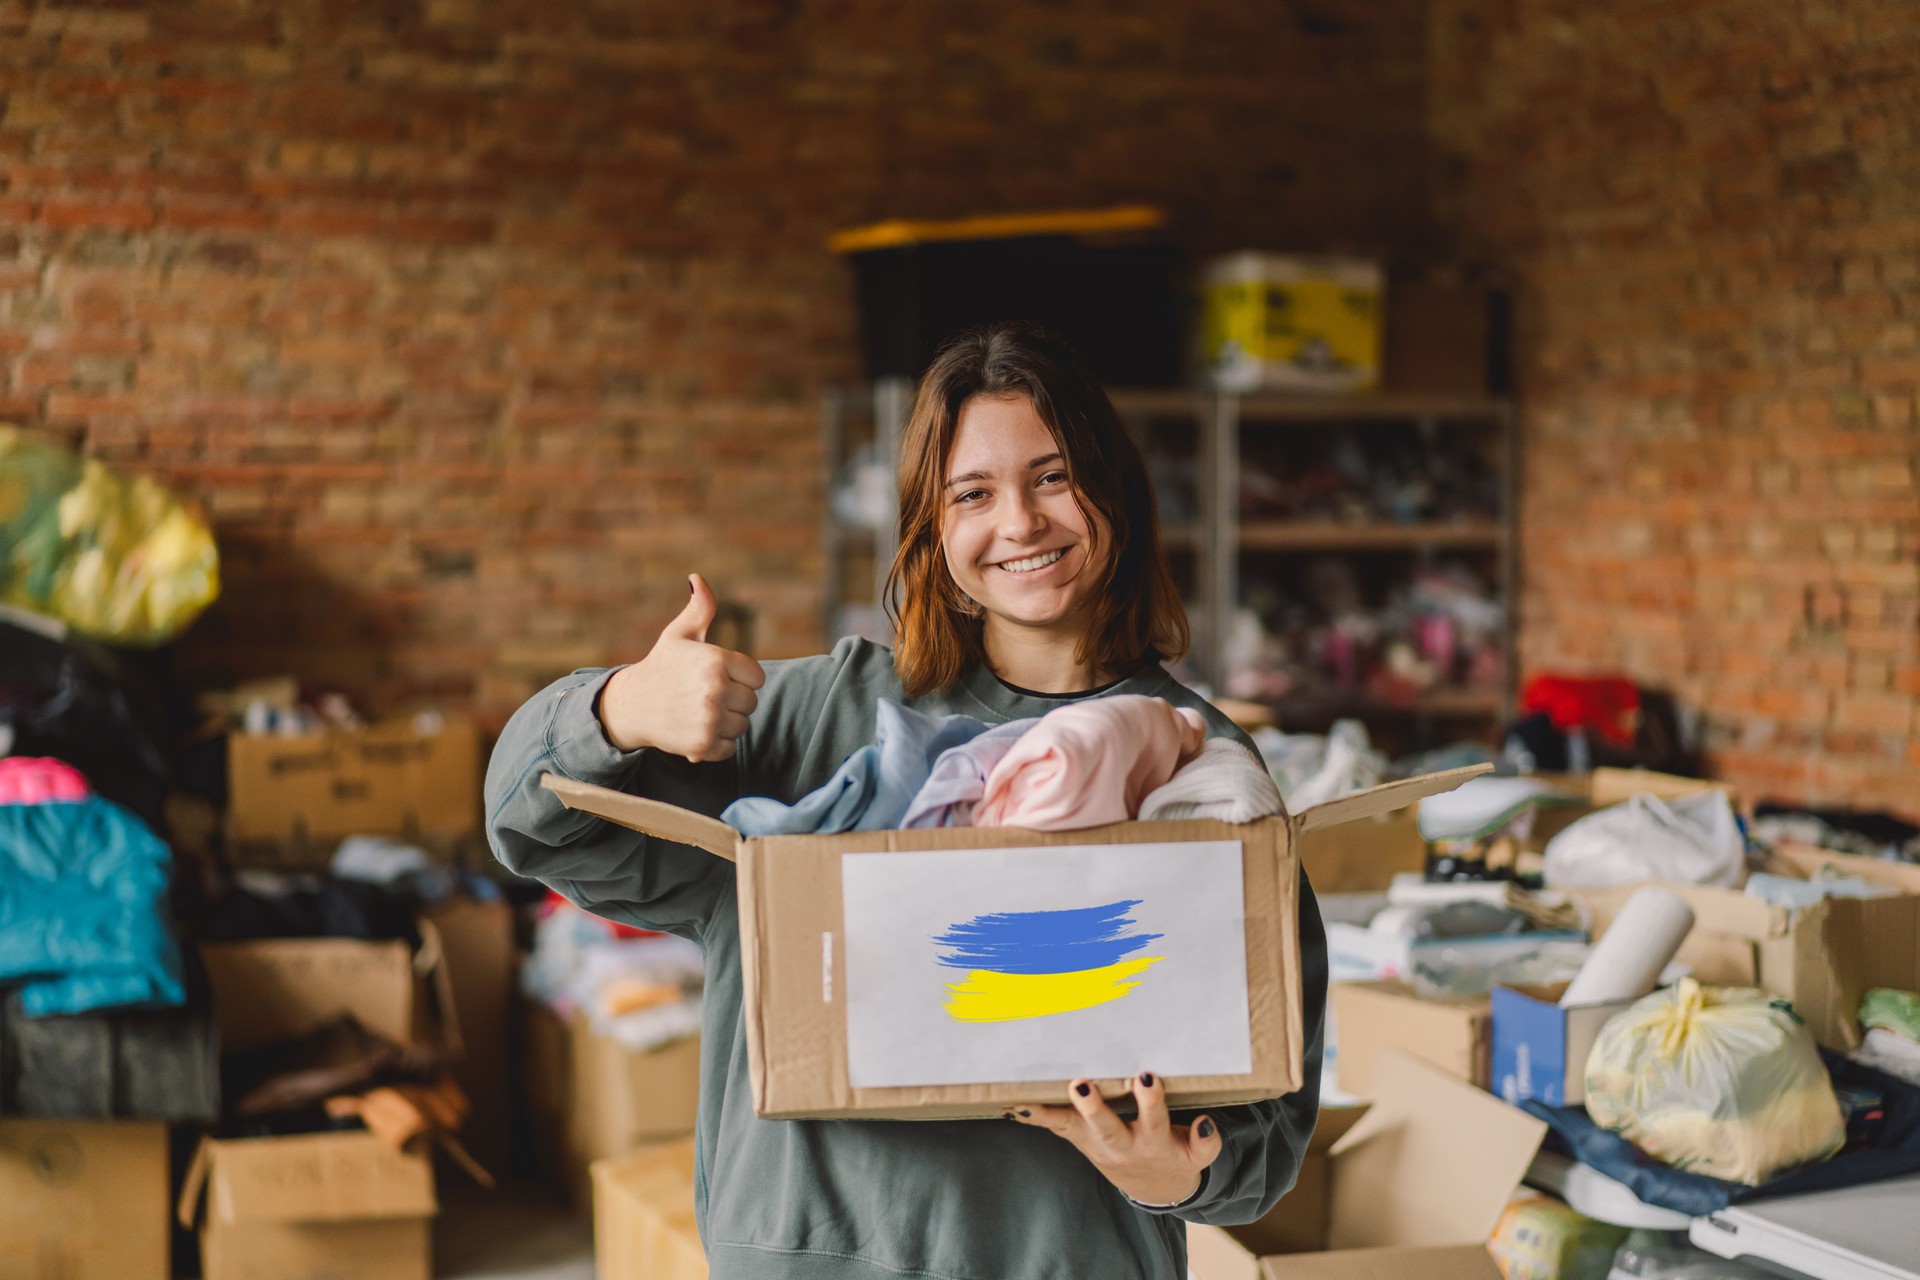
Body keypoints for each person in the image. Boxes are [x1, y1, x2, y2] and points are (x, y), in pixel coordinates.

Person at [486, 322, 1328, 1280]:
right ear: (933, 530)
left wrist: (1175, 1173)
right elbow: (531, 826)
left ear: (1116, 494)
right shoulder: (815, 722)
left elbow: (1268, 1133)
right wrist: (617, 707)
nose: (1019, 522)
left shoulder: (1203, 770)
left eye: (1054, 477)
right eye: (973, 493)